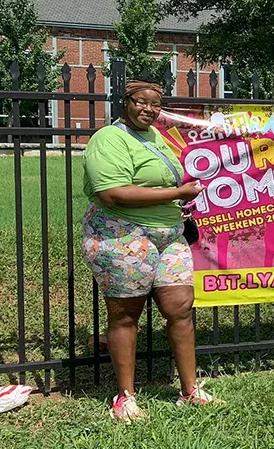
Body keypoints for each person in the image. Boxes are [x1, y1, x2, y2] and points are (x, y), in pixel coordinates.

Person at [82, 79, 219, 422]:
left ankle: (190, 390)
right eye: (141, 102)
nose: (148, 110)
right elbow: (111, 193)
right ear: (125, 102)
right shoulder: (108, 139)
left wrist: (179, 198)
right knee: (126, 315)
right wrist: (178, 195)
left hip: (168, 235)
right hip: (123, 235)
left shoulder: (154, 137)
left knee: (180, 309)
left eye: (155, 105)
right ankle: (125, 397)